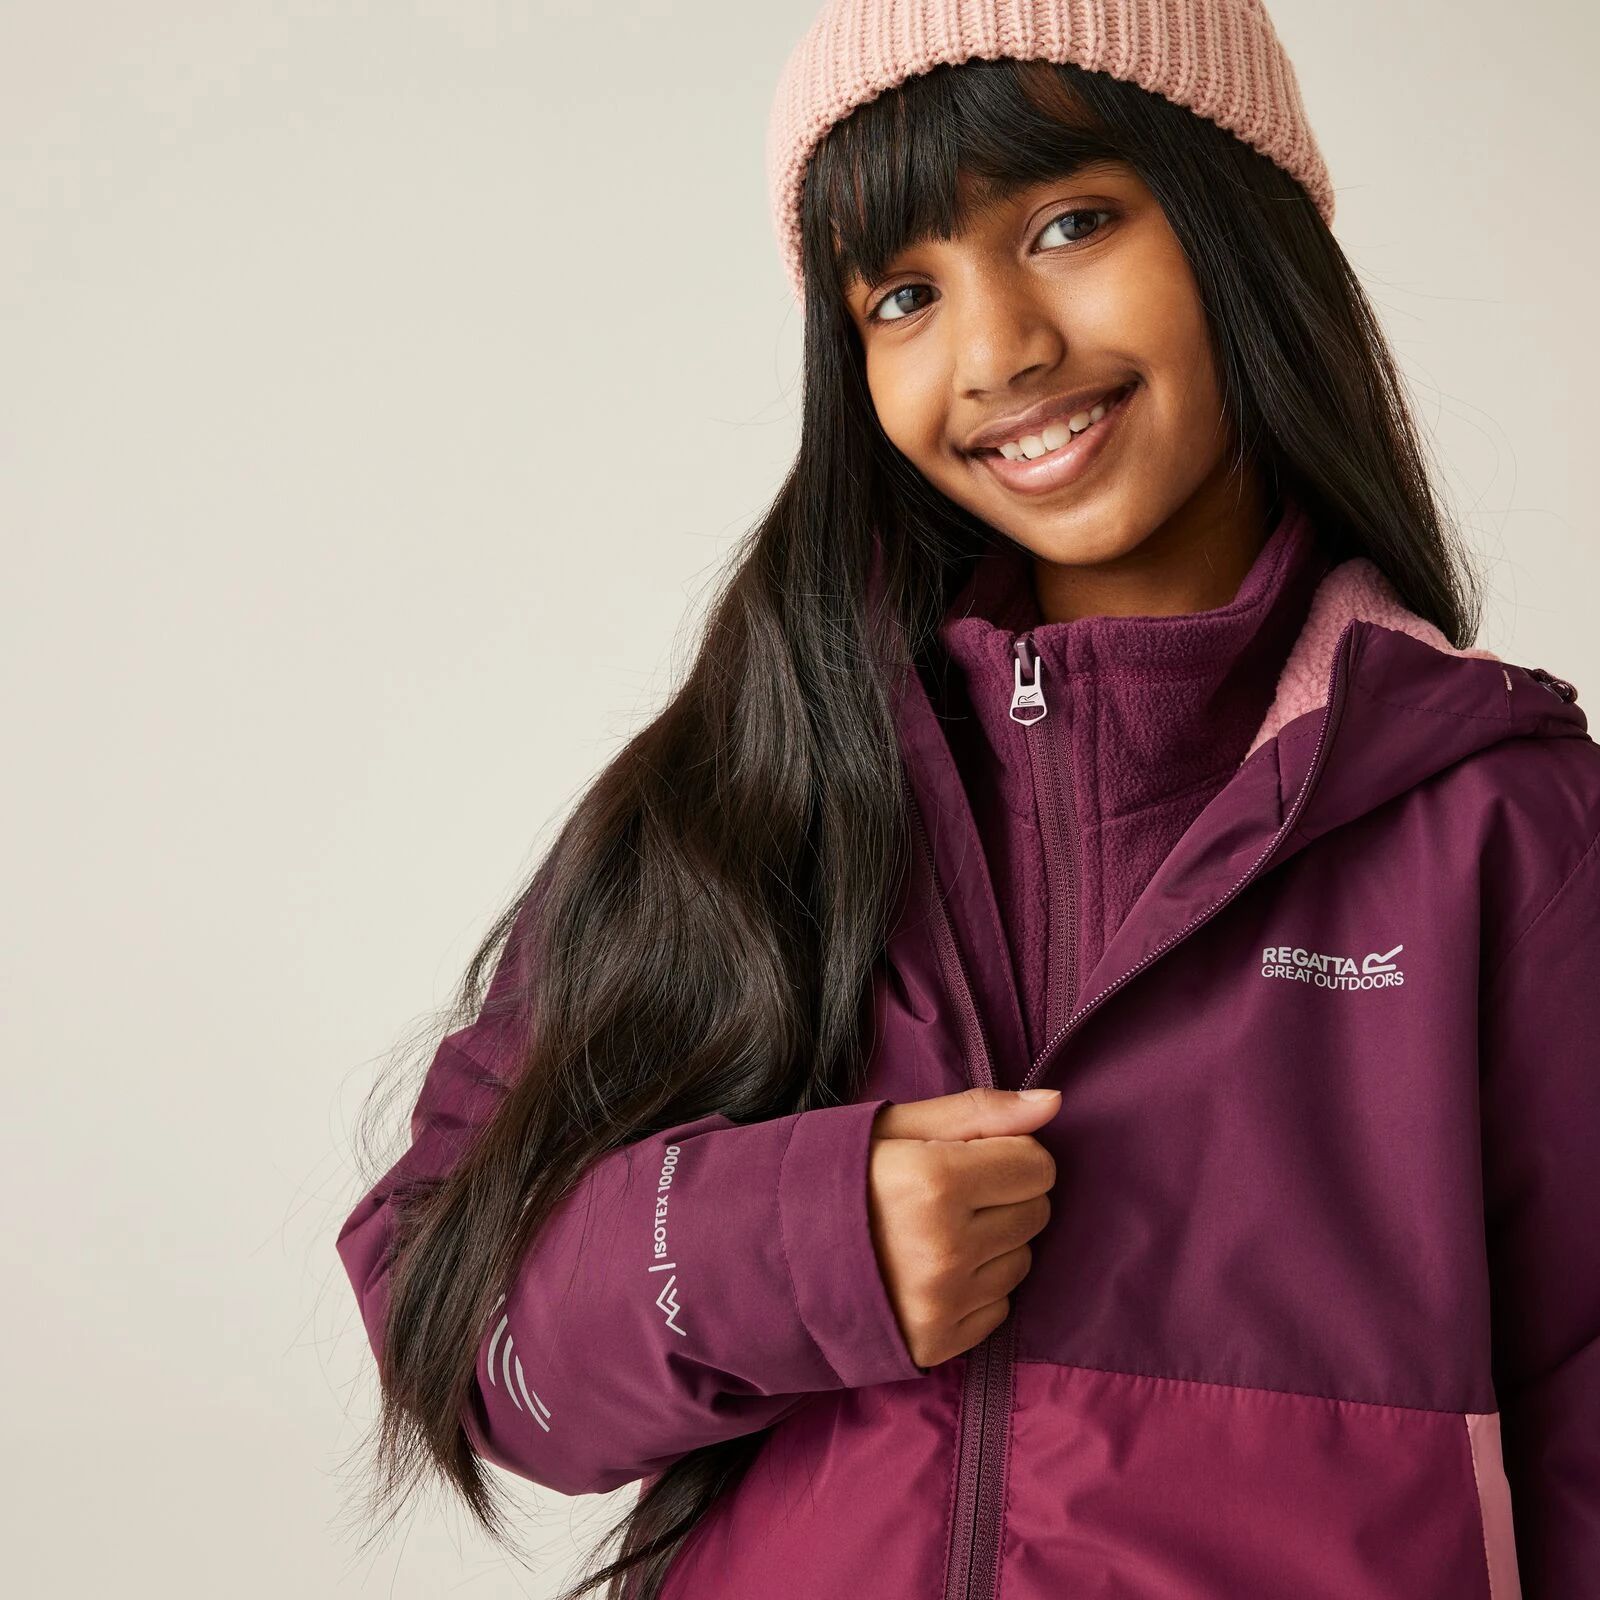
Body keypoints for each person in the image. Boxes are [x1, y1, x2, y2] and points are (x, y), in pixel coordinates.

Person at [335, 2, 1599, 1595]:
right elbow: (444, 1307)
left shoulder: (1509, 833)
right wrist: (791, 1247)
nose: (998, 352)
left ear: (1240, 223)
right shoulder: (756, 795)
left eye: (1070, 223)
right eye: (904, 295)